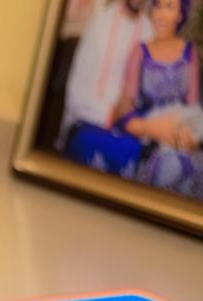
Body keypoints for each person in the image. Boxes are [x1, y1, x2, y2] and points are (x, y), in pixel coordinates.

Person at [116, 0, 203, 197]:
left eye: (169, 7)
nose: (161, 14)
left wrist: (192, 140)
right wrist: (155, 129)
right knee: (170, 166)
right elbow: (124, 113)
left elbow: (194, 110)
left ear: (181, 15)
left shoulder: (191, 53)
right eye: (157, 6)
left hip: (183, 134)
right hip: (150, 137)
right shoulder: (139, 52)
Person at [60, 0, 153, 176]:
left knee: (140, 153)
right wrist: (111, 113)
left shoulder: (150, 32)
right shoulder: (100, 23)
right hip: (88, 120)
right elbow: (76, 95)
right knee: (92, 145)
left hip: (129, 129)